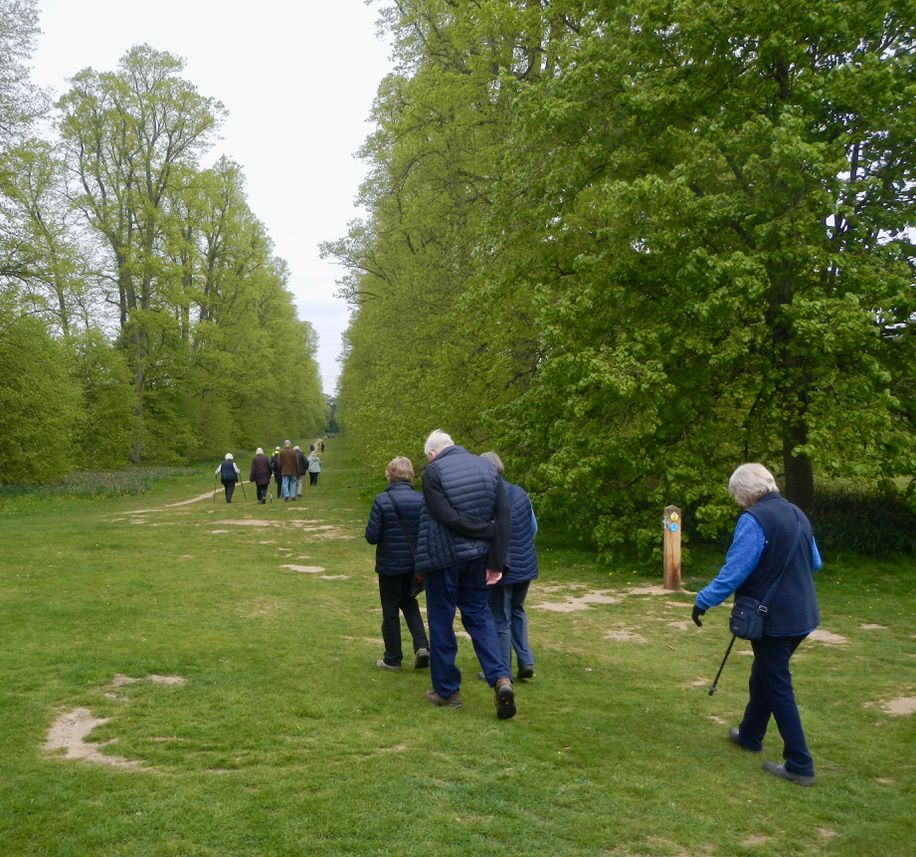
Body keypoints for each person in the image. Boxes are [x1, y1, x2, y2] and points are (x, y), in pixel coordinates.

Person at [692, 463, 822, 787]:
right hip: (804, 614)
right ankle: (751, 735)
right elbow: (815, 562)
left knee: (777, 683)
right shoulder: (797, 514)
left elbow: (735, 570)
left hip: (773, 618)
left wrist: (703, 600)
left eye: (738, 498)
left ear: (746, 494)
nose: (740, 504)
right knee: (764, 673)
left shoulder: (754, 519)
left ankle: (800, 765)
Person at [415, 429, 516, 719]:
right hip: (478, 558)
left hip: (443, 558)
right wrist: (496, 559)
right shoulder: (487, 468)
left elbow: (444, 515)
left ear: (433, 453)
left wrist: (482, 530)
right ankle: (500, 678)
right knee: (479, 616)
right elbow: (503, 516)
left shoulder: (432, 472)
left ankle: (447, 691)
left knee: (441, 621)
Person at [364, 456, 430, 671]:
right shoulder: (422, 500)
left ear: (389, 474)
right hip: (414, 564)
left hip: (390, 564)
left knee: (390, 609)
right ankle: (422, 646)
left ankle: (393, 658)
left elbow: (372, 536)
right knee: (410, 604)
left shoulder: (382, 500)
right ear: (410, 475)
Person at [481, 452, 538, 681]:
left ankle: (502, 671)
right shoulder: (521, 493)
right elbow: (533, 528)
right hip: (526, 562)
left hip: (503, 564)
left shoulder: (488, 499)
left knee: (499, 617)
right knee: (517, 611)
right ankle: (525, 660)